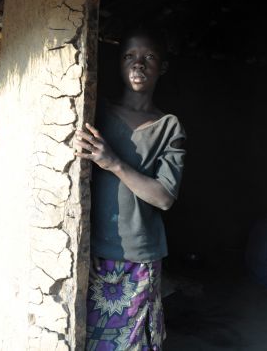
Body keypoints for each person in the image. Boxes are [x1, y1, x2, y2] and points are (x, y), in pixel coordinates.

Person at [75, 26, 186, 350]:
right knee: (90, 339)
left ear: (162, 66)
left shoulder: (169, 126)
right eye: (129, 56)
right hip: (90, 250)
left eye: (149, 57)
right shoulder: (95, 111)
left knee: (134, 344)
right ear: (119, 63)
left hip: (139, 257)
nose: (138, 64)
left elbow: (164, 198)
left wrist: (114, 163)